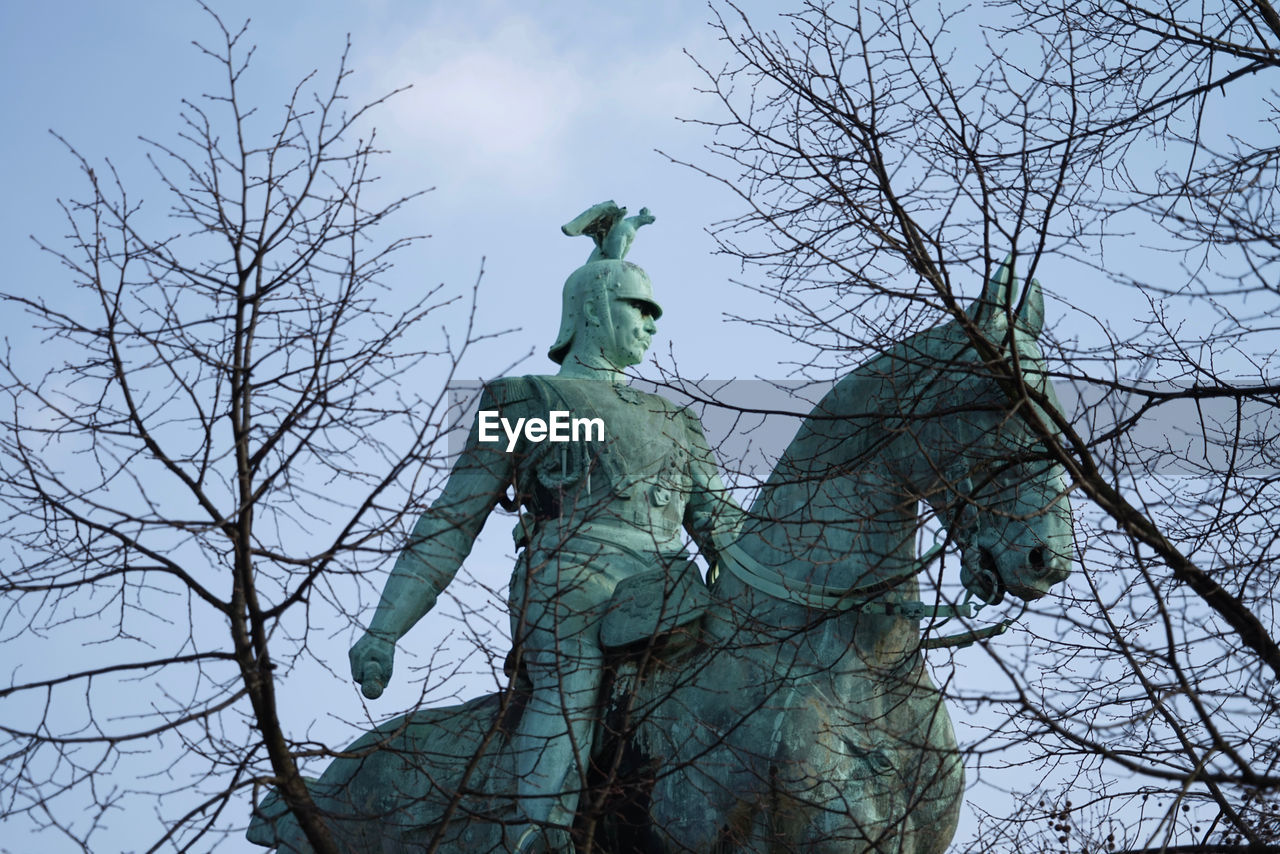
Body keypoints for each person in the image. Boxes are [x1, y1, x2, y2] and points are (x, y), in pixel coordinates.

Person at [348, 205, 741, 853]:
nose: (651, 322)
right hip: (571, 579)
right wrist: (385, 628)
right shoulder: (529, 401)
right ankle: (538, 831)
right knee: (570, 685)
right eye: (638, 307)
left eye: (654, 313)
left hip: (669, 587)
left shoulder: (676, 421)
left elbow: (721, 525)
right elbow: (453, 518)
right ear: (592, 311)